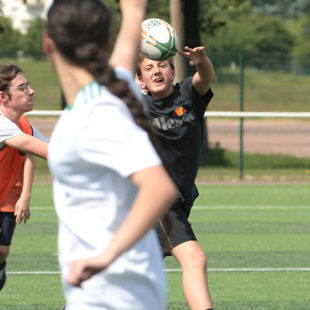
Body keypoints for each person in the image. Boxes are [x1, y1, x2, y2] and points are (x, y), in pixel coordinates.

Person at [42, 0, 177, 309]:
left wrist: (106, 255)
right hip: (114, 292)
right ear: (104, 41)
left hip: (110, 295)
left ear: (46, 43)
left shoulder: (96, 114)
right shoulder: (113, 89)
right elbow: (127, 45)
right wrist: (133, 13)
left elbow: (159, 188)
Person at [136, 46, 215, 310]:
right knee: (195, 258)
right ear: (140, 80)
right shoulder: (137, 110)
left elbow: (204, 78)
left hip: (180, 200)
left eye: (162, 65)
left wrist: (202, 62)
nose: (156, 71)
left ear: (172, 71)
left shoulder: (187, 95)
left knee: (133, 273)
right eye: (148, 68)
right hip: (157, 201)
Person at [0, 64, 48, 291]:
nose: (31, 91)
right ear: (3, 97)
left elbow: (51, 149)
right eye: (23, 87)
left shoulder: (23, 125)